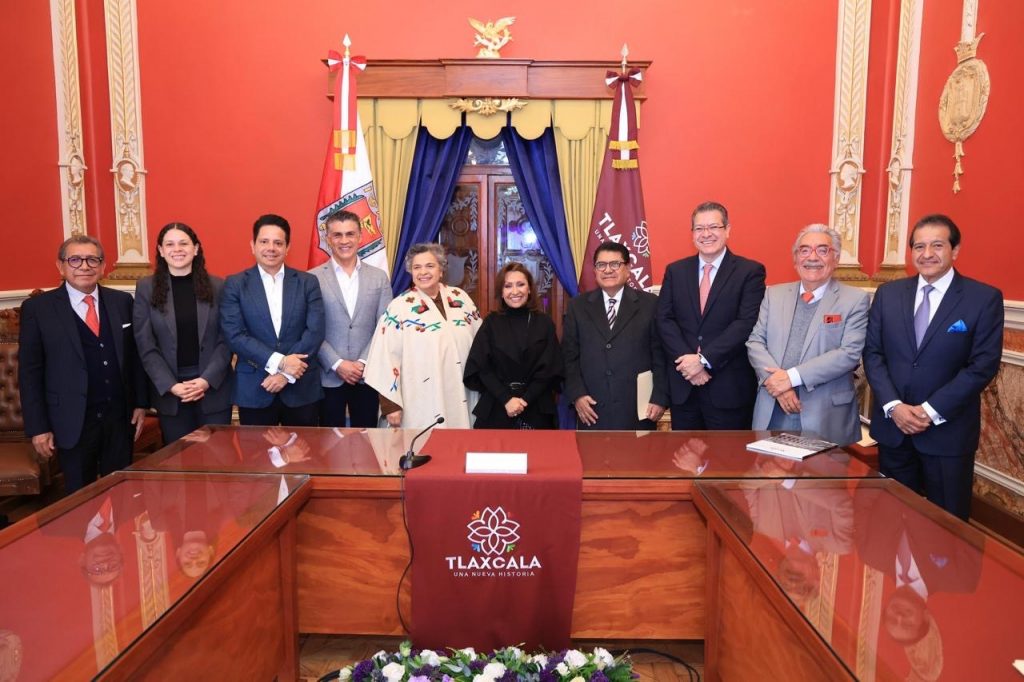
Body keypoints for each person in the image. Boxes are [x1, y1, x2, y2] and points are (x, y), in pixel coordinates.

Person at [863, 214, 1003, 520]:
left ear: (955, 250)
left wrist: (929, 411)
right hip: (894, 429)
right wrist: (894, 406)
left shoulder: (983, 299)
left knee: (947, 525)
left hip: (947, 433)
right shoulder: (888, 295)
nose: (927, 254)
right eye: (919, 246)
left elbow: (982, 366)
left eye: (937, 245)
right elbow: (873, 354)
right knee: (892, 518)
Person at [18, 235, 148, 493]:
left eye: (92, 260)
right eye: (75, 260)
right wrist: (38, 427)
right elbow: (30, 373)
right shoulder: (38, 309)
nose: (85, 266)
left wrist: (141, 403)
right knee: (79, 497)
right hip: (71, 420)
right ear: (61, 266)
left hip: (119, 418)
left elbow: (135, 357)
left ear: (103, 266)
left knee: (121, 492)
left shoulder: (122, 302)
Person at [746, 224, 869, 446]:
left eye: (822, 250)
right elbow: (755, 342)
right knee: (767, 469)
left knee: (824, 470)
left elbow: (849, 354)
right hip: (773, 408)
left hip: (825, 414)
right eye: (804, 250)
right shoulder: (774, 294)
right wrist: (778, 384)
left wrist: (791, 378)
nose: (812, 257)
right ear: (795, 259)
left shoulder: (854, 299)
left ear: (836, 258)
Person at [657, 201, 766, 430]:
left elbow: (745, 323)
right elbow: (665, 320)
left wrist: (703, 361)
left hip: (728, 389)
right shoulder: (675, 271)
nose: (706, 234)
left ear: (727, 230)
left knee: (727, 453)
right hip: (684, 387)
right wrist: (688, 364)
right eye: (699, 228)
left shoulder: (749, 272)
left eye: (714, 227)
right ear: (692, 233)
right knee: (685, 452)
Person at [220, 214, 325, 426]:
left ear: (287, 248)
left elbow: (315, 331)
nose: (271, 248)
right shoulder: (235, 284)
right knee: (255, 448)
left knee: (304, 447)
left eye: (278, 243)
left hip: (301, 388)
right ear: (253, 246)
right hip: (255, 386)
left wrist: (286, 374)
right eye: (264, 241)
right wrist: (281, 363)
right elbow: (235, 335)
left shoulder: (308, 282)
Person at [364, 243, 482, 429]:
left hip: (461, 392)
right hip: (418, 398)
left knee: (460, 440)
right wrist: (390, 405)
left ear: (441, 270)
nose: (423, 272)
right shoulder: (399, 307)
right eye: (417, 267)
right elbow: (384, 357)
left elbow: (481, 345)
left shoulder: (460, 298)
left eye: (430, 266)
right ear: (410, 272)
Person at [133, 222, 233, 443]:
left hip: (213, 389)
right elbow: (145, 344)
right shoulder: (146, 288)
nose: (177, 249)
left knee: (218, 457)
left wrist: (206, 380)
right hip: (171, 394)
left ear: (195, 249)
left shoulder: (218, 286)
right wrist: (172, 385)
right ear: (161, 251)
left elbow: (226, 339)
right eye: (170, 244)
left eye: (183, 244)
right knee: (179, 459)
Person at [563, 242, 667, 430]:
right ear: (595, 270)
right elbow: (569, 357)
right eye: (601, 265)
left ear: (628, 268)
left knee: (640, 451)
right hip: (591, 410)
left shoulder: (650, 304)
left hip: (639, 410)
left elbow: (661, 355)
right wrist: (577, 395)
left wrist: (660, 397)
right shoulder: (577, 306)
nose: (608, 270)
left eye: (615, 264)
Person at [309, 210, 393, 428]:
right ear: (328, 239)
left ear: (360, 237)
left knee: (366, 441)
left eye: (350, 234)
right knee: (328, 443)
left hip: (367, 375)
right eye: (337, 235)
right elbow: (310, 329)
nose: (344, 241)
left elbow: (385, 326)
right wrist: (337, 363)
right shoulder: (312, 278)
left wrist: (362, 362)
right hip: (328, 376)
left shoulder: (379, 277)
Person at [464, 262, 563, 429]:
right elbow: (481, 367)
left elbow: (550, 368)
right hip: (497, 405)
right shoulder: (491, 323)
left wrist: (524, 400)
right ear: (501, 292)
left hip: (537, 406)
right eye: (508, 286)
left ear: (529, 289)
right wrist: (506, 399)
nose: (515, 291)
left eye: (520, 284)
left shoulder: (544, 323)